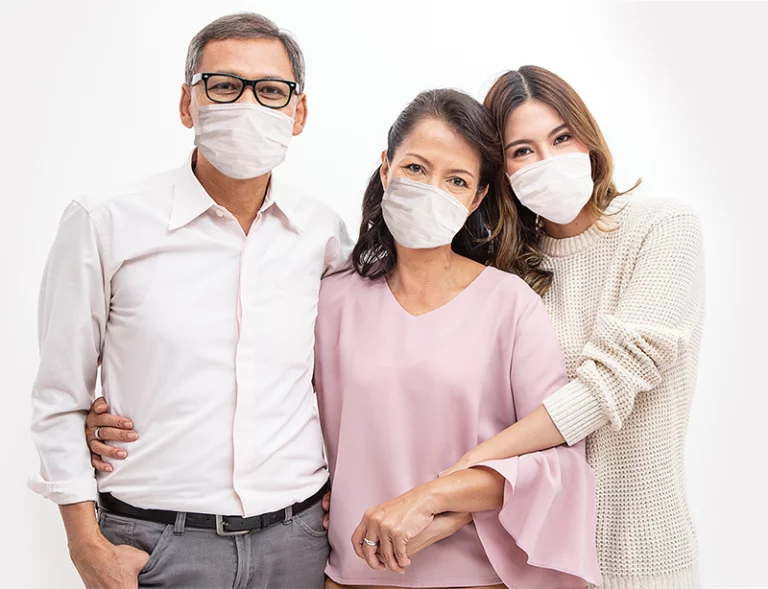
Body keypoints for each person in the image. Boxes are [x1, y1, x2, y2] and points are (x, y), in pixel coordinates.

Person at [88, 89, 603, 589]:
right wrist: (115, 419)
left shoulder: (511, 304)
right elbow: (247, 388)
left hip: (481, 578)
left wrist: (430, 499)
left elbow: (557, 458)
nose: (431, 190)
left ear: (478, 197)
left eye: (456, 180)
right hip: (351, 575)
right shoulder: (330, 299)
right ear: (386, 168)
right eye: (416, 168)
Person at [342, 67, 705, 589]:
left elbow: (608, 384)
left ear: (590, 140)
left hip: (636, 550)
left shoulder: (660, 229)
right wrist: (366, 493)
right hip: (531, 559)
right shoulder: (510, 270)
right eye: (522, 151)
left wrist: (452, 479)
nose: (547, 160)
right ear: (502, 173)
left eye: (561, 138)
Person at [29, 13, 351, 589]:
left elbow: (343, 376)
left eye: (271, 90)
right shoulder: (104, 222)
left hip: (298, 542)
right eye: (224, 86)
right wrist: (85, 546)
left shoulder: (323, 233)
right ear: (187, 103)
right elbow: (59, 397)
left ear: (298, 112)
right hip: (155, 544)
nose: (247, 105)